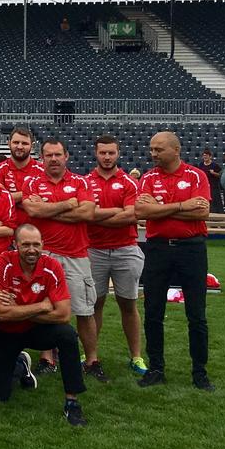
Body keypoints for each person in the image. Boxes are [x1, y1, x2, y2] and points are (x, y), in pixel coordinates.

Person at [0, 224, 88, 427]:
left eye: (35, 244)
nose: (31, 249)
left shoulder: (52, 266)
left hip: (36, 331)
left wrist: (20, 310)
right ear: (15, 245)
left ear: (43, 244)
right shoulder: (1, 262)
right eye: (25, 244)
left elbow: (64, 314)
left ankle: (72, 402)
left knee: (67, 334)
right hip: (4, 332)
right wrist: (41, 306)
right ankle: (21, 365)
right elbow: (2, 313)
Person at [135, 131, 213, 391]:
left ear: (176, 150)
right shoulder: (148, 177)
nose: (153, 154)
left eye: (158, 149)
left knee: (196, 314)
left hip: (192, 250)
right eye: (151, 149)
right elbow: (142, 212)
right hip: (157, 250)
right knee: (153, 311)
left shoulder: (195, 175)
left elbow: (202, 211)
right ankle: (156, 368)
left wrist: (160, 209)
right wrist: (182, 206)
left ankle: (199, 371)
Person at [21, 138, 102, 380]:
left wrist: (49, 209)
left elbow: (87, 213)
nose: (53, 159)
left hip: (75, 255)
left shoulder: (81, 181)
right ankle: (47, 358)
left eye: (58, 154)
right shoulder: (32, 182)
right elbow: (33, 211)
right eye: (48, 155)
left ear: (66, 156)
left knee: (84, 310)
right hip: (42, 256)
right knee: (43, 309)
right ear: (41, 158)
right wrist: (67, 204)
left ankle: (91, 360)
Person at [87, 135, 148, 376]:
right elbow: (86, 215)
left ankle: (136, 356)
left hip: (126, 249)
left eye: (111, 152)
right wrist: (117, 213)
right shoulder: (85, 183)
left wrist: (99, 214)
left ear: (118, 153)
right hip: (94, 250)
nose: (107, 156)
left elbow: (133, 215)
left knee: (128, 304)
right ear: (96, 153)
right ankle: (91, 355)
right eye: (103, 152)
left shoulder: (129, 183)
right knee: (94, 304)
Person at [0, 125, 44, 224]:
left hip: (36, 230)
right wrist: (28, 195)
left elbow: (44, 202)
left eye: (25, 143)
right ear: (9, 144)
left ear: (32, 145)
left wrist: (11, 197)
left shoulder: (42, 171)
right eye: (16, 142)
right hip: (8, 228)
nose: (20, 147)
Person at [200, 149, 223, 214]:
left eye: (206, 156)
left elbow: (220, 175)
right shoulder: (201, 164)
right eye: (204, 156)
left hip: (214, 187)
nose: (205, 157)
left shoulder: (215, 165)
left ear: (210, 157)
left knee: (215, 201)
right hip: (204, 187)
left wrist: (213, 173)